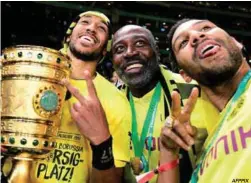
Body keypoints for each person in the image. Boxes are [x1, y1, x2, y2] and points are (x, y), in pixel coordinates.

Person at [1, 11, 131, 183]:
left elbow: (112, 180)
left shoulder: (116, 100)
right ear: (68, 37)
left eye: (101, 28)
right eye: (85, 22)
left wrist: (102, 142)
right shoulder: (27, 71)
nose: (91, 28)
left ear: (104, 50)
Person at [111, 24, 219, 183]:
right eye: (120, 49)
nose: (130, 53)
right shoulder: (111, 101)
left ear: (156, 50)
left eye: (140, 44)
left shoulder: (193, 94)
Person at [158, 18, 251, 183]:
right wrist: (168, 150)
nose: (196, 35)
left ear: (237, 43)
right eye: (183, 42)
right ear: (185, 75)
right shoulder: (206, 151)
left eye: (206, 28)